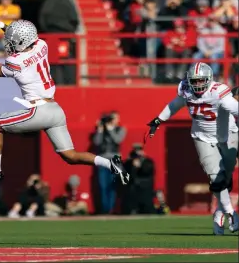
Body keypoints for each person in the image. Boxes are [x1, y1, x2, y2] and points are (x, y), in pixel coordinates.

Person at [0, 18, 129, 187]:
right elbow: (25, 36)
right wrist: (3, 26)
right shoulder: (42, 45)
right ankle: (111, 164)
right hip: (56, 110)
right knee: (70, 156)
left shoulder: (16, 61)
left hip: (39, 111)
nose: (9, 42)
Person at [146, 62, 239, 235]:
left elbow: (235, 108)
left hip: (228, 136)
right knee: (216, 178)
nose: (196, 85)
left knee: (226, 178)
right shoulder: (185, 89)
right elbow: (175, 104)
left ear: (209, 79)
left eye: (200, 80)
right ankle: (231, 213)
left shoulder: (218, 91)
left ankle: (220, 210)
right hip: (202, 137)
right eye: (194, 81)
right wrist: (158, 120)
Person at [38, 0, 79, 85]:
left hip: (51, 35)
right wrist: (70, 31)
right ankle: (69, 84)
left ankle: (52, 83)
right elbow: (75, 19)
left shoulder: (47, 3)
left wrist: (47, 31)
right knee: (66, 60)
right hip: (65, 36)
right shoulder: (67, 2)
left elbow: (42, 20)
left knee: (51, 60)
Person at [91, 111, 126, 214]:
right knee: (103, 185)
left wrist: (110, 129)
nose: (116, 120)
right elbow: (96, 142)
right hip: (102, 159)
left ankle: (111, 209)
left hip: (114, 160)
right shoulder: (102, 130)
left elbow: (118, 140)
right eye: (114, 118)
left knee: (112, 185)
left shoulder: (121, 129)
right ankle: (104, 209)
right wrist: (100, 130)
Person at [121, 144, 155, 214]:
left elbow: (148, 172)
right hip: (133, 188)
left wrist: (141, 165)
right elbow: (126, 175)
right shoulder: (129, 163)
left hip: (145, 187)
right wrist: (133, 166)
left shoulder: (148, 161)